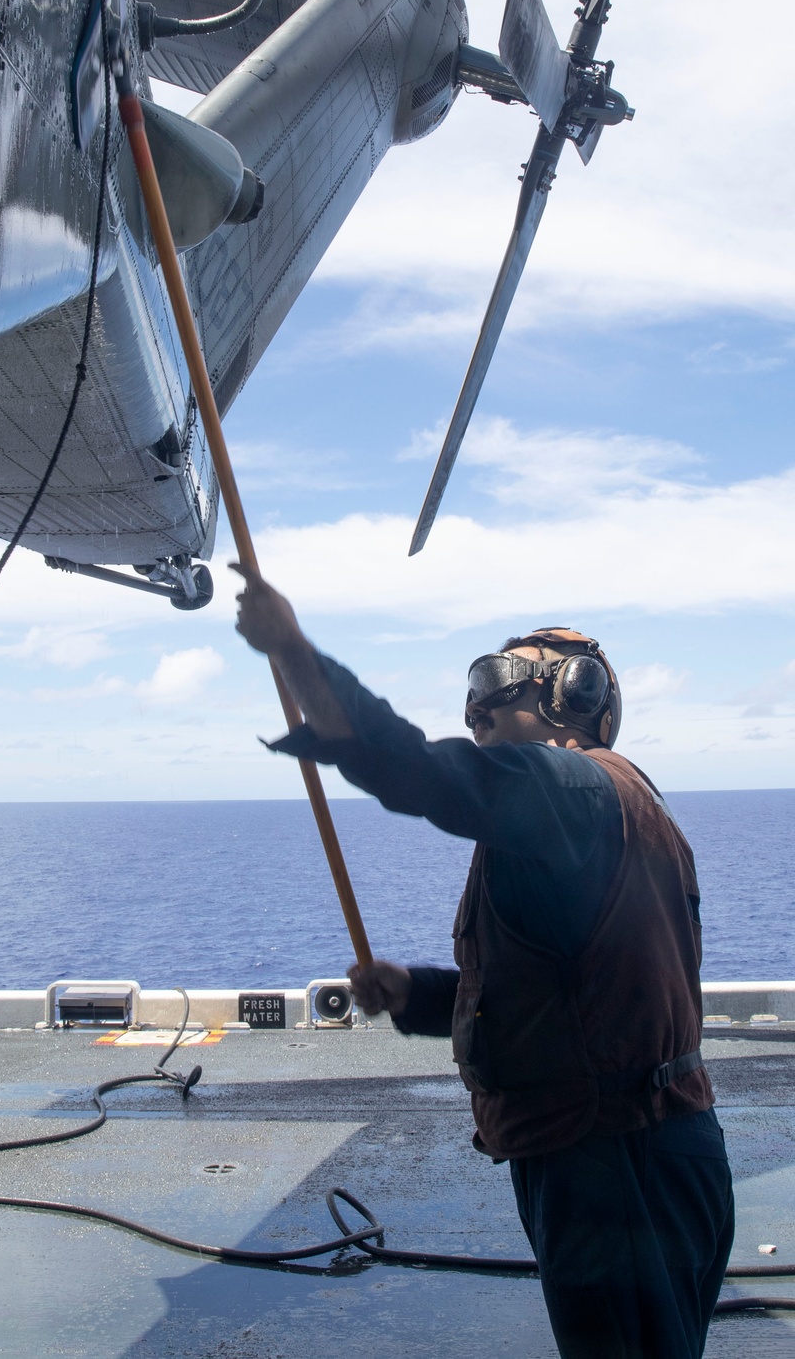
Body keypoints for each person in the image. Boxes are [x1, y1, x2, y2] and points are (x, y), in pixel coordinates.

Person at [232, 562, 734, 1359]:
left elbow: (420, 771)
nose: (478, 706)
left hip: (616, 1166)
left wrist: (294, 652)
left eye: (501, 682)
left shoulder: (569, 786)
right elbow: (570, 994)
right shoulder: (597, 810)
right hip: (630, 1151)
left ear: (574, 695)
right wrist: (417, 995)